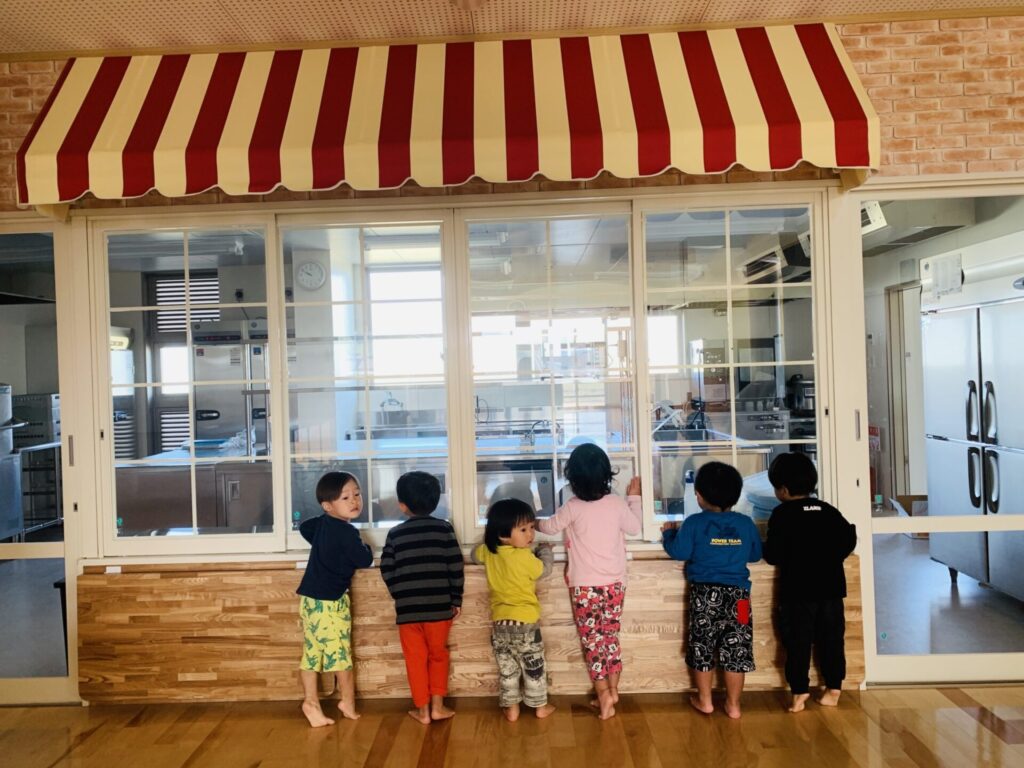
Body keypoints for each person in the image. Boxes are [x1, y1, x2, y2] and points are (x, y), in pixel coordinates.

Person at [536, 442, 642, 719]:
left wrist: (531, 521)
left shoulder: (572, 507)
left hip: (584, 587)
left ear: (572, 479)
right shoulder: (616, 504)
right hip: (615, 584)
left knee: (592, 642)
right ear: (607, 475)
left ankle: (603, 694)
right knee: (610, 637)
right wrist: (634, 498)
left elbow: (548, 527)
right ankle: (613, 691)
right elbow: (635, 527)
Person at [661, 461, 762, 719]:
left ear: (699, 496)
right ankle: (734, 705)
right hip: (740, 599)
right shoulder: (745, 523)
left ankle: (705, 701)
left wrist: (668, 534)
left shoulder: (694, 523)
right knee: (737, 648)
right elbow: (754, 554)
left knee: (702, 646)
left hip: (705, 596)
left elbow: (679, 551)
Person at [763, 452, 857, 712]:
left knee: (798, 641)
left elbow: (773, 555)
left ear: (783, 490)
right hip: (831, 590)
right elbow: (848, 539)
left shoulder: (782, 514)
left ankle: (799, 692)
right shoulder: (829, 511)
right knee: (832, 640)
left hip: (797, 592)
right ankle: (834, 688)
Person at [379, 471, 465, 724]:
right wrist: (456, 599)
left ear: (402, 505)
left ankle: (423, 711)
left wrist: (400, 593)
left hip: (408, 611)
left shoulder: (395, 534)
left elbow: (387, 568)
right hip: (440, 609)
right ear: (436, 501)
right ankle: (438, 707)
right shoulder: (444, 529)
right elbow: (455, 566)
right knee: (438, 655)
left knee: (415, 660)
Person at [296, 471, 374, 727]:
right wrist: (367, 546)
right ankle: (347, 702)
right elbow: (364, 559)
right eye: (345, 497)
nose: (354, 501)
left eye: (357, 494)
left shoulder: (323, 525)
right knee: (340, 655)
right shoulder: (346, 532)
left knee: (312, 652)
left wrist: (325, 528)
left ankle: (311, 702)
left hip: (309, 600)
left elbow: (305, 527)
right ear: (328, 505)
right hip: (330, 602)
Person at [471, 498, 557, 722]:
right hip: (526, 624)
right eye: (523, 529)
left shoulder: (488, 552)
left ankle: (511, 709)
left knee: (508, 670)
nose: (531, 534)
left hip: (500, 626)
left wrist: (488, 544)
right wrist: (545, 551)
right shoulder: (523, 556)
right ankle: (540, 707)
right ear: (503, 534)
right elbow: (544, 570)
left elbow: (473, 555)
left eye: (531, 527)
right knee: (534, 667)